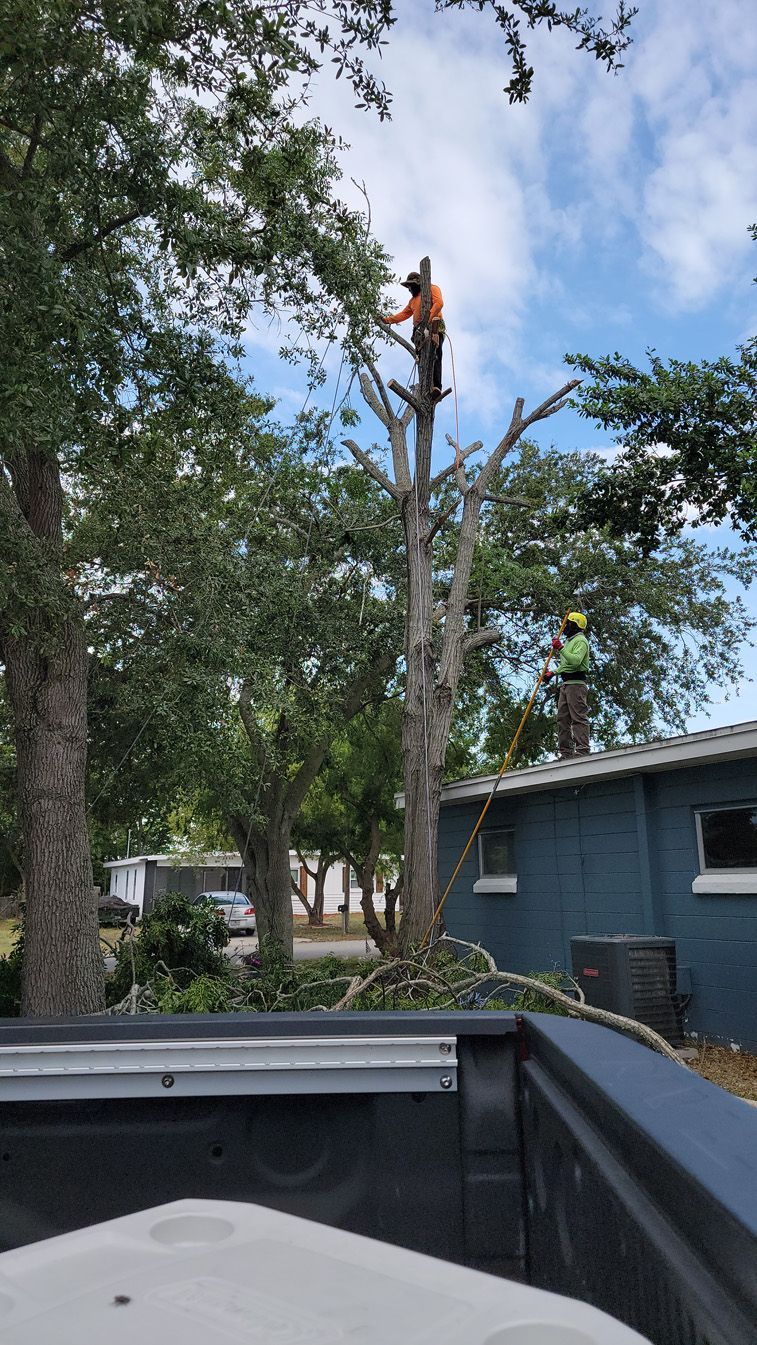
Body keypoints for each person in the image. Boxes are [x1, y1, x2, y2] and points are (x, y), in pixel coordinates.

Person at [384, 271, 445, 396]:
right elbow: (403, 314)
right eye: (408, 287)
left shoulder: (432, 288)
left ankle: (436, 386)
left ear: (418, 284)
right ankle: (426, 386)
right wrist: (387, 320)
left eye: (410, 286)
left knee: (436, 355)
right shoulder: (412, 301)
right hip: (419, 331)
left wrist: (427, 320)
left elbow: (439, 303)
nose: (409, 289)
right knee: (423, 360)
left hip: (434, 325)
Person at [544, 611, 590, 759]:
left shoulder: (581, 641)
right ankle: (566, 753)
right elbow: (567, 665)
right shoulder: (571, 641)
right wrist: (553, 673)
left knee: (578, 717)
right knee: (562, 719)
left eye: (568, 624)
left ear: (575, 625)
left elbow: (576, 661)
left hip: (576, 685)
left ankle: (582, 750)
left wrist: (561, 648)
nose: (564, 627)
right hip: (566, 684)